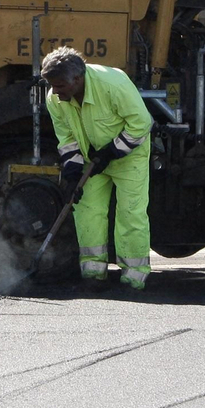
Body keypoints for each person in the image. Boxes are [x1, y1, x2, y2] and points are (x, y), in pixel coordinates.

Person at [41, 45, 153, 290]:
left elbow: (141, 124)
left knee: (130, 214)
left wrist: (111, 152)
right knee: (87, 212)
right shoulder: (55, 99)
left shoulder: (113, 85)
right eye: (52, 85)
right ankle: (93, 274)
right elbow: (67, 137)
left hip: (129, 156)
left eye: (59, 85)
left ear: (77, 79)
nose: (54, 92)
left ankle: (134, 277)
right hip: (91, 158)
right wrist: (72, 172)